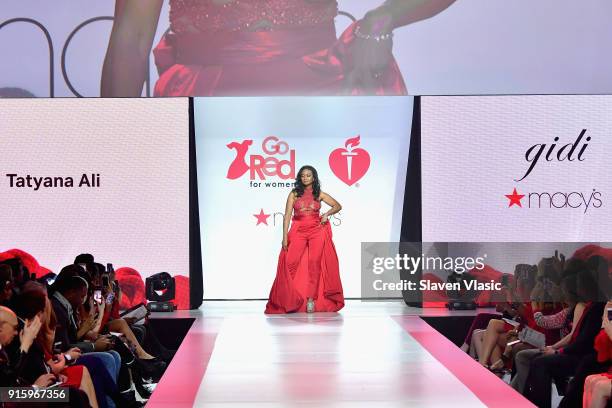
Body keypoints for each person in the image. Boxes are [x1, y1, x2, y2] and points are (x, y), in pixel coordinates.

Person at [101, 0, 456, 96]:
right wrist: (118, 137)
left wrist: (383, 18)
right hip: (204, 102)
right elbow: (131, 36)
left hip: (322, 96)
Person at [265, 165, 343, 314]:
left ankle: (310, 300)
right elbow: (287, 215)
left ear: (314, 177)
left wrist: (326, 214)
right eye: (303, 175)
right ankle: (288, 299)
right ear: (300, 178)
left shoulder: (319, 194)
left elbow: (338, 205)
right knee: (289, 263)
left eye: (308, 175)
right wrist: (284, 237)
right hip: (298, 230)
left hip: (316, 231)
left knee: (314, 265)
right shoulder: (294, 194)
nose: (305, 177)